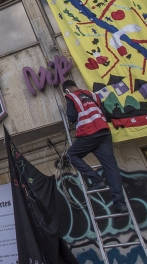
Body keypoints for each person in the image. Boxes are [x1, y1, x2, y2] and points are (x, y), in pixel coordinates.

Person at [63, 80, 128, 214]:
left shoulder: (71, 97)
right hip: (104, 132)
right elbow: (103, 111)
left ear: (67, 90)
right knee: (111, 167)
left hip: (88, 133)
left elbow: (72, 117)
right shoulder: (92, 94)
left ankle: (96, 179)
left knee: (71, 155)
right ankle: (120, 204)